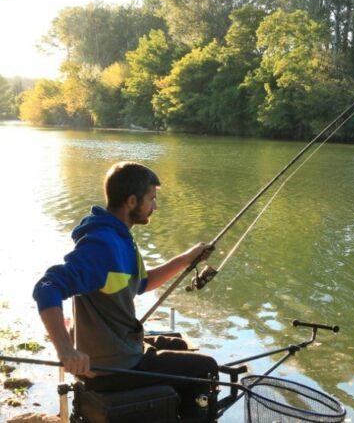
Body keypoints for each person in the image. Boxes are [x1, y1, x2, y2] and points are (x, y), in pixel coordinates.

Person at [33, 161, 219, 421]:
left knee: (178, 344)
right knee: (206, 368)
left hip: (122, 348)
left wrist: (187, 258)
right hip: (112, 367)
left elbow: (143, 283)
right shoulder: (102, 245)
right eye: (151, 199)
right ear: (132, 201)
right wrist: (65, 350)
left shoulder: (120, 237)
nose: (155, 206)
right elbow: (47, 287)